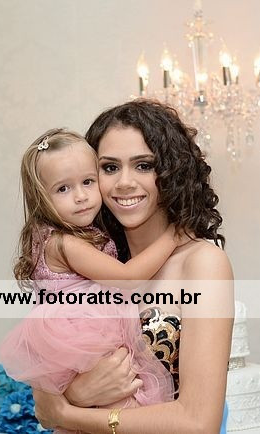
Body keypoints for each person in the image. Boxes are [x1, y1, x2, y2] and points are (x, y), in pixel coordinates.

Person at [32, 100, 235, 433]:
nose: (124, 182)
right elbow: (45, 401)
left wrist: (70, 414)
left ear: (171, 172)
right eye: (110, 167)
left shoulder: (202, 263)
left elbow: (199, 423)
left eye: (143, 165)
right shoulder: (89, 264)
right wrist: (77, 393)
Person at [0, 128, 179, 417]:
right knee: (126, 401)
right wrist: (174, 235)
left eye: (88, 181)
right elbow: (129, 278)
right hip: (83, 330)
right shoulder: (64, 242)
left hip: (79, 329)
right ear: (41, 198)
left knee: (119, 395)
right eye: (63, 189)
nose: (81, 196)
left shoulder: (72, 234)